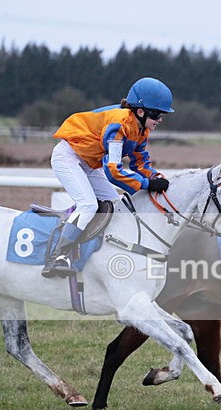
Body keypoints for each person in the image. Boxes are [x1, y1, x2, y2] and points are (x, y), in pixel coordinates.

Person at [42, 77, 174, 278]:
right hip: (68, 157)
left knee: (115, 204)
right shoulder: (119, 124)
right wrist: (147, 184)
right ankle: (57, 257)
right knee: (88, 205)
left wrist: (155, 177)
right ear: (140, 111)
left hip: (88, 162)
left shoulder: (141, 129)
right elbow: (113, 171)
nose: (160, 120)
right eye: (157, 114)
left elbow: (140, 163)